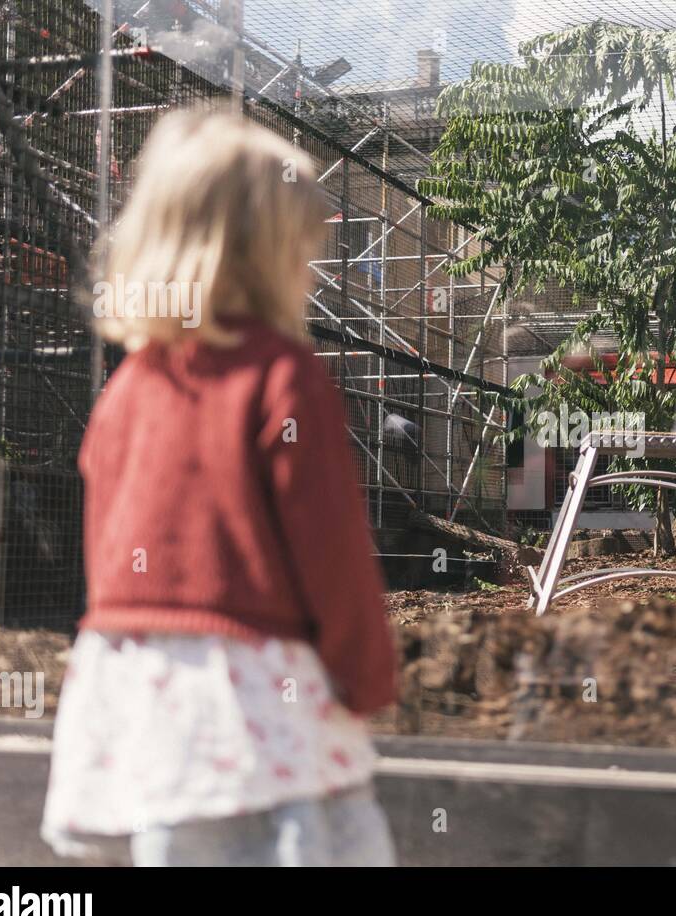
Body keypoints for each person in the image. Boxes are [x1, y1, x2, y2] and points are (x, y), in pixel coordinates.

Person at [40, 110, 398, 866]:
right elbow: (331, 553)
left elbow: (110, 547)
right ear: (265, 258)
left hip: (151, 700)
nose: (310, 272)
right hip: (261, 706)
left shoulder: (130, 387)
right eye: (302, 253)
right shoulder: (283, 376)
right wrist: (367, 676)